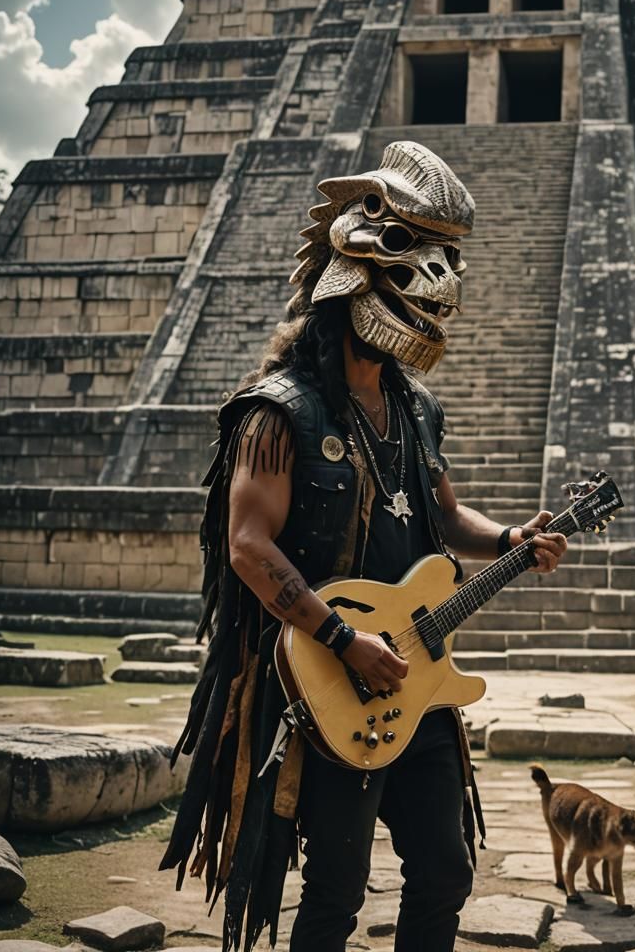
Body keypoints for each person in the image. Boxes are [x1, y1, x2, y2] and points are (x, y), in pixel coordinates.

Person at [160, 141, 568, 952]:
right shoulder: (278, 412)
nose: (437, 292)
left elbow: (448, 520)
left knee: (446, 871)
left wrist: (513, 539)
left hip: (414, 688)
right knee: (336, 891)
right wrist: (344, 638)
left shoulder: (416, 408)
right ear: (351, 280)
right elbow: (248, 546)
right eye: (410, 269)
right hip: (325, 691)